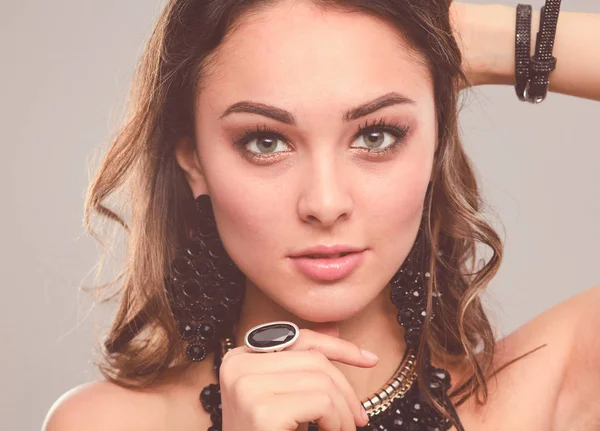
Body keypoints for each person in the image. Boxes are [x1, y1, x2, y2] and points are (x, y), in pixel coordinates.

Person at [42, 0, 600, 430]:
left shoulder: (540, 397)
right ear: (194, 162)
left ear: (435, 143)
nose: (326, 203)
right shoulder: (102, 424)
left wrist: (468, 39)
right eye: (265, 142)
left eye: (377, 135)